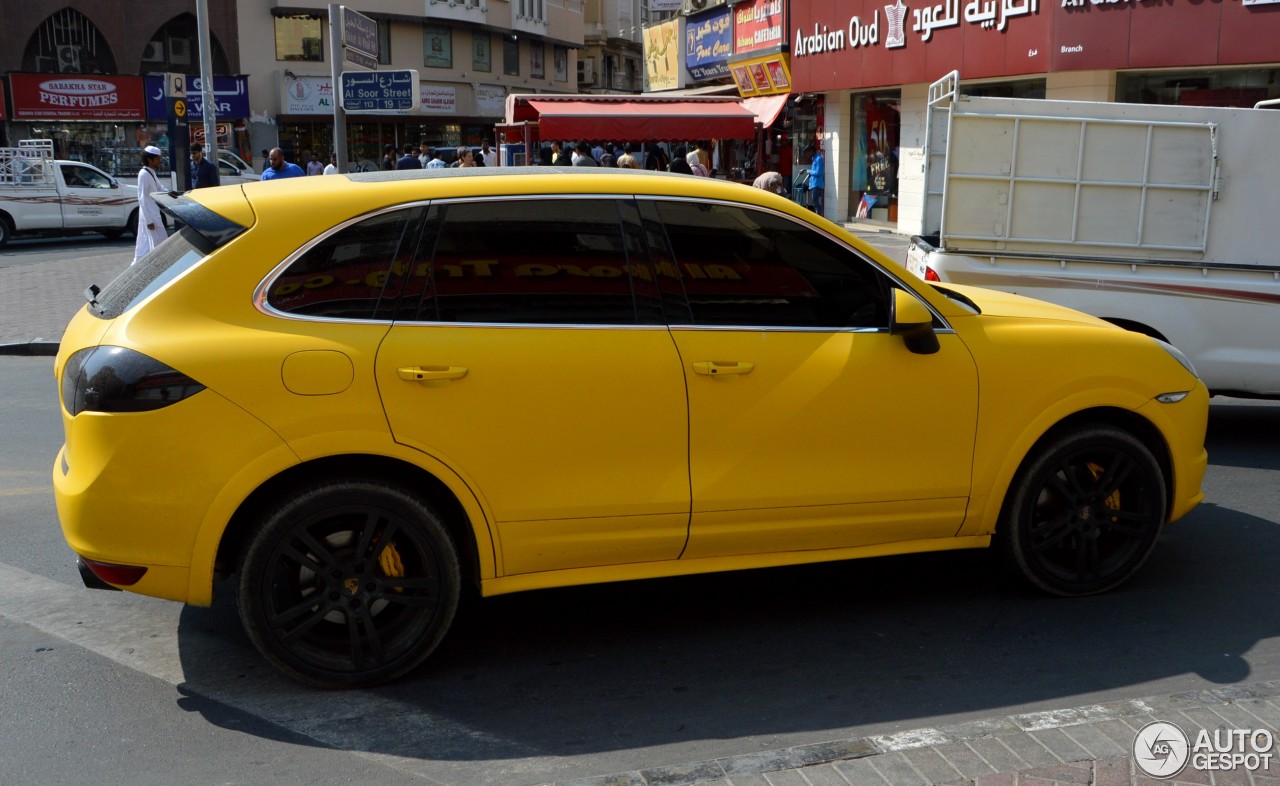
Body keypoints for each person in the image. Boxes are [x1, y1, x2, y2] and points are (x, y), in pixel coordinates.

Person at [133, 145, 168, 263]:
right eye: (157, 158)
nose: (160, 161)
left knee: (147, 244)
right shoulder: (143, 174)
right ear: (150, 159)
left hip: (154, 213)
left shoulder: (151, 172)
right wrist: (148, 220)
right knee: (159, 243)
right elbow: (141, 198)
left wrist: (175, 194)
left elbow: (160, 189)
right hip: (150, 216)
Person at [807, 144, 826, 216]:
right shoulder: (814, 158)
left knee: (816, 203)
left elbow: (818, 172)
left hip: (817, 185)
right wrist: (806, 170)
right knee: (816, 202)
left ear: (812, 151)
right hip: (814, 184)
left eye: (808, 152)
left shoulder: (818, 159)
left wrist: (809, 171)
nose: (807, 154)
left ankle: (819, 218)